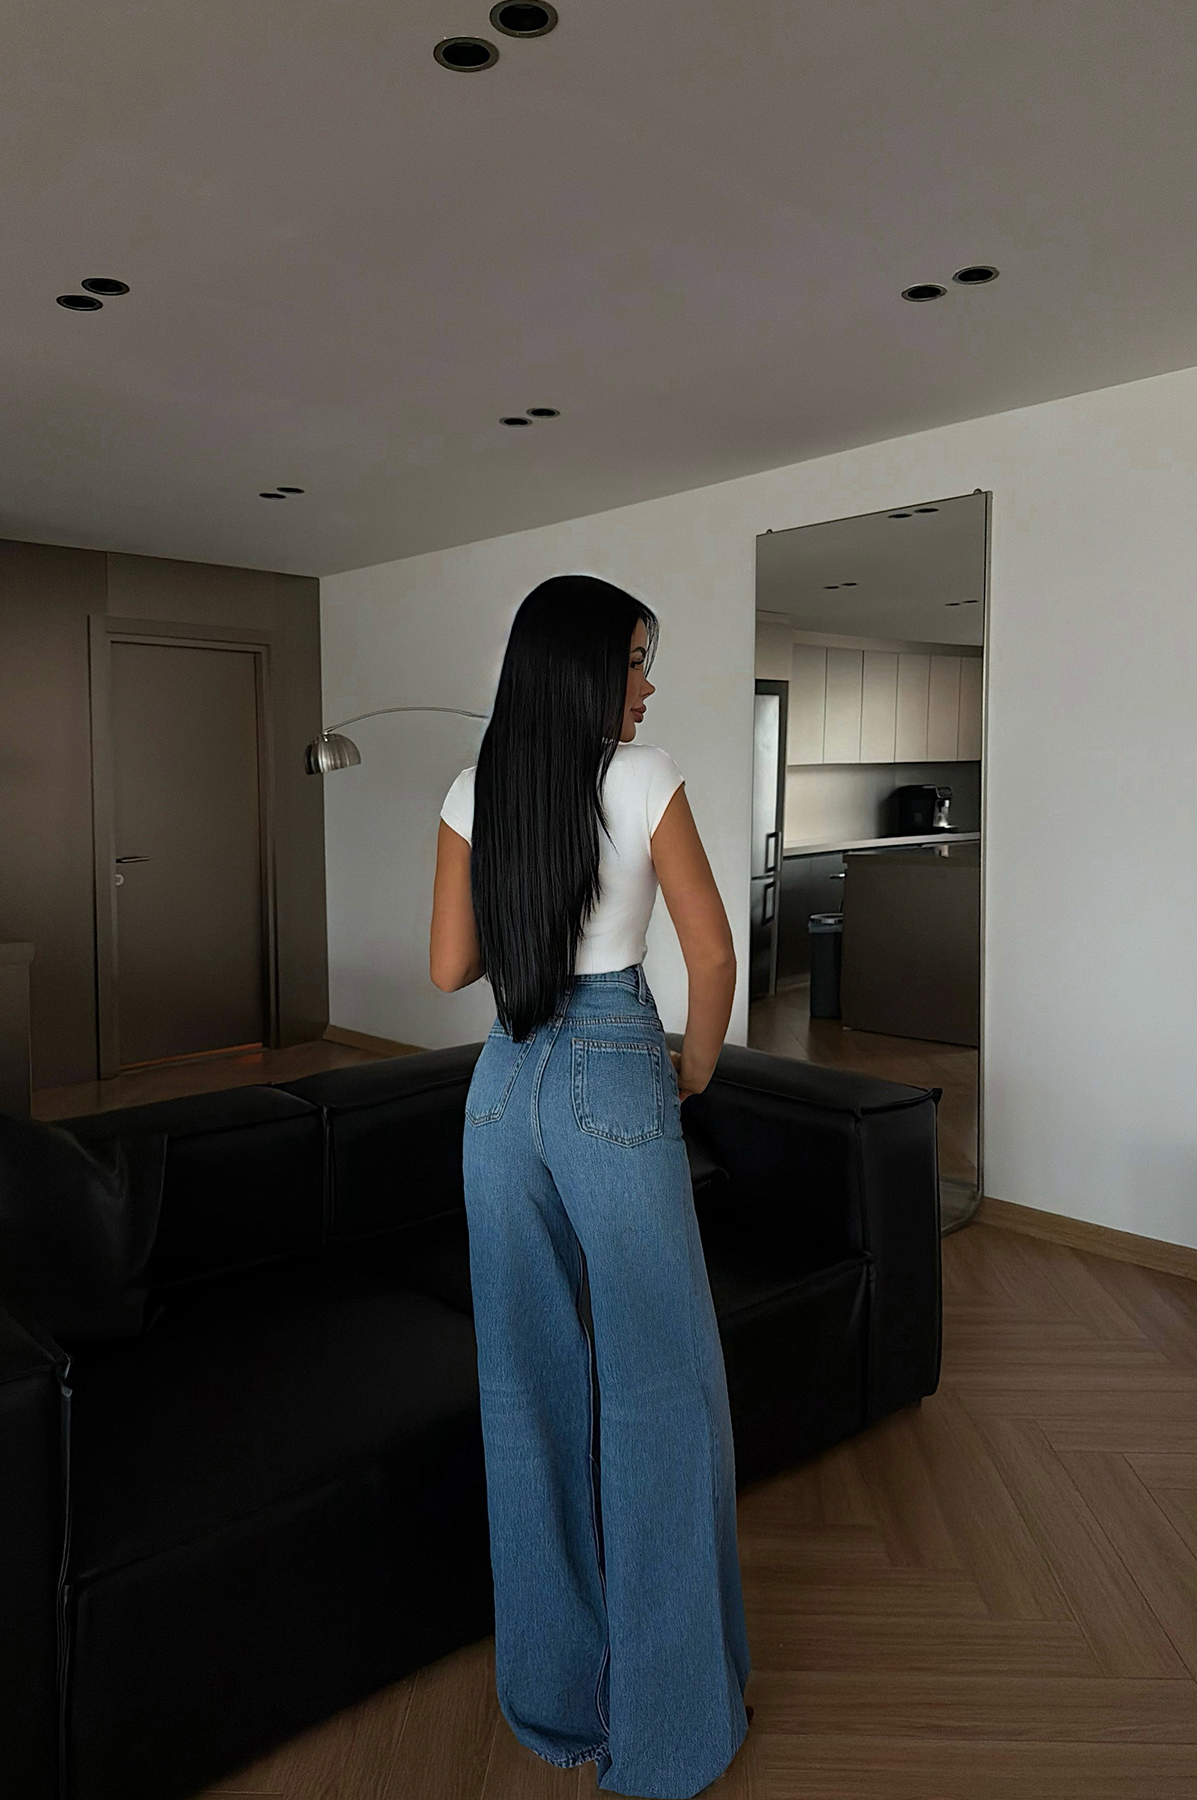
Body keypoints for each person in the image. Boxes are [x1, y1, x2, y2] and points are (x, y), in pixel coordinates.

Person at [429, 574, 752, 1798]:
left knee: (525, 1393)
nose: (647, 685)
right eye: (634, 660)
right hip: (616, 1067)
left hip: (500, 1091)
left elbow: (450, 966)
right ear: (582, 669)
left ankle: (560, 1707)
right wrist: (694, 1068)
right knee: (664, 1391)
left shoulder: (474, 788)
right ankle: (668, 1736)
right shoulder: (643, 775)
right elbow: (712, 952)